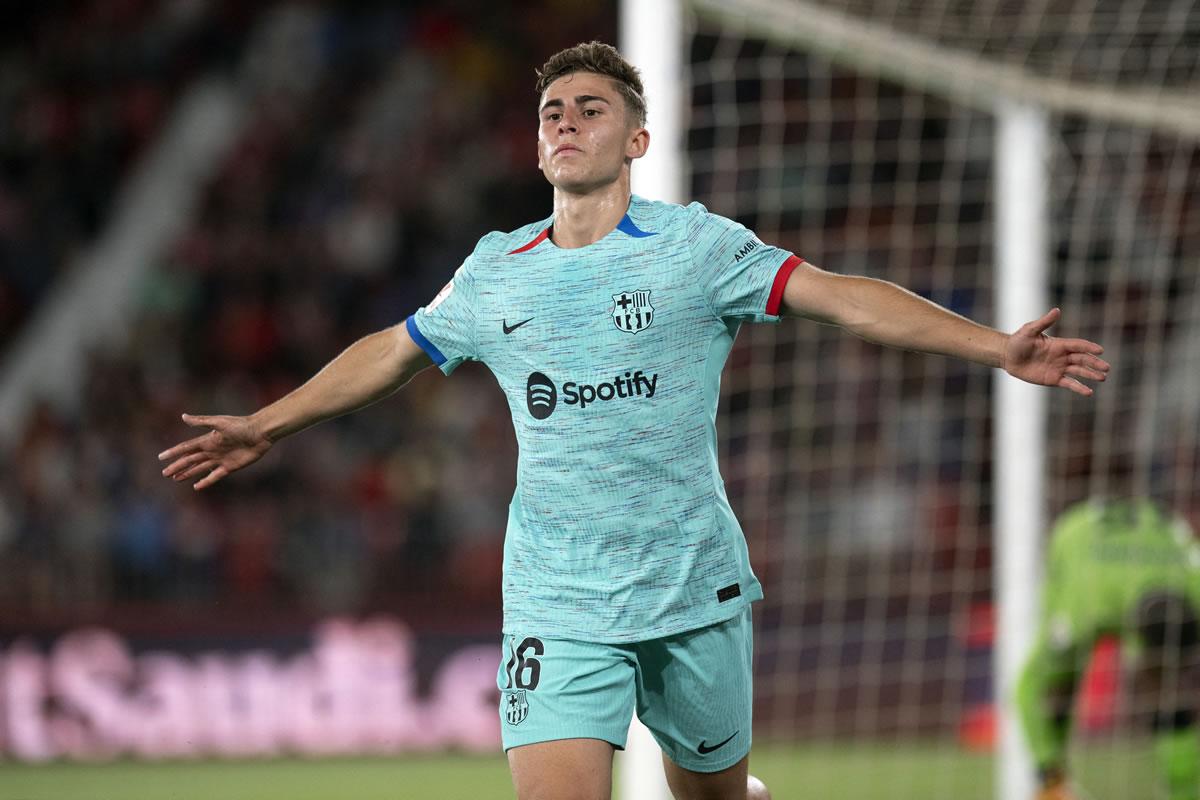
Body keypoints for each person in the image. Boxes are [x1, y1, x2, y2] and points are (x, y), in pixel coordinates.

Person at [159, 41, 1109, 800]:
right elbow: (394, 349)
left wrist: (997, 347)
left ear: (638, 140)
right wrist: (268, 425)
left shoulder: (696, 248)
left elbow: (840, 297)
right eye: (552, 113)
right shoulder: (496, 270)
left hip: (692, 587)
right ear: (538, 146)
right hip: (557, 598)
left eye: (591, 109)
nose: (566, 123)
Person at [1015, 498, 1200, 800]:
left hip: (1149, 547)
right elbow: (1026, 686)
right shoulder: (1083, 606)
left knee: (1167, 696)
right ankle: (1053, 784)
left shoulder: (1194, 582)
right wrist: (1046, 768)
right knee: (1058, 684)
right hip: (1080, 545)